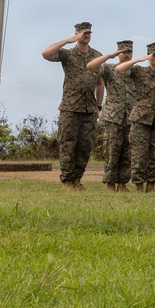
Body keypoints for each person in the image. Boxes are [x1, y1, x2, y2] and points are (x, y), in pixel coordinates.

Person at [42, 21, 102, 189]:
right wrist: (68, 40)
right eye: (83, 33)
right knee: (68, 144)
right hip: (70, 107)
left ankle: (77, 179)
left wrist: (99, 106)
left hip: (89, 108)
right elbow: (46, 53)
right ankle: (67, 180)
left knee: (85, 146)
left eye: (89, 33)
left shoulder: (97, 55)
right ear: (76, 34)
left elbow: (100, 83)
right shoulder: (68, 54)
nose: (86, 35)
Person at [116, 42, 155, 191]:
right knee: (139, 154)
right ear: (149, 56)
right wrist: (138, 59)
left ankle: (151, 186)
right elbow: (119, 69)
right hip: (141, 119)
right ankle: (138, 186)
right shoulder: (139, 71)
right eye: (154, 55)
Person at [86, 39, 135, 190]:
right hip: (113, 117)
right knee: (112, 151)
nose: (127, 55)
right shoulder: (109, 69)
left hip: (130, 117)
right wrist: (109, 55)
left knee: (127, 152)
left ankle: (122, 183)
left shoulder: (135, 71)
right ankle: (110, 183)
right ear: (118, 52)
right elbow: (91, 66)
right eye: (123, 52)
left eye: (129, 52)